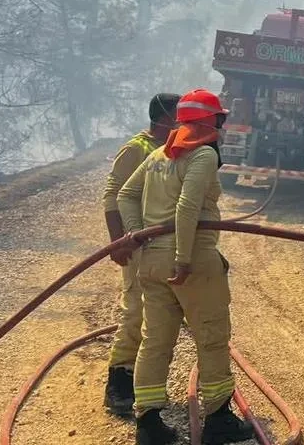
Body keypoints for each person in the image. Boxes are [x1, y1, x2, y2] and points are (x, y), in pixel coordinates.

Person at [116, 88, 253, 445]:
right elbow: (187, 206)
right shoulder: (203, 155)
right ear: (210, 121)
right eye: (220, 120)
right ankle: (219, 420)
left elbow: (125, 195)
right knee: (211, 336)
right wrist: (183, 259)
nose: (222, 127)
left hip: (152, 264)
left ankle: (148, 426)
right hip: (191, 262)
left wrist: (139, 235)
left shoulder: (160, 155)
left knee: (155, 341)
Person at [102, 93, 182, 417]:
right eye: (179, 115)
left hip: (162, 247)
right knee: (135, 312)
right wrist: (119, 242)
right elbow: (111, 197)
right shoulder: (136, 148)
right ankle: (118, 382)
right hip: (138, 246)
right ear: (164, 117)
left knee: (159, 318)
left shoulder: (175, 149)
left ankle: (142, 384)